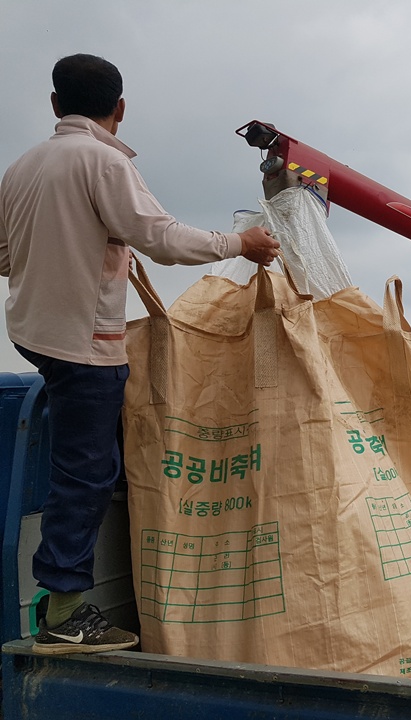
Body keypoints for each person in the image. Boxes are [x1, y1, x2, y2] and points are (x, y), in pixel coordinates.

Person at [0, 53, 280, 654]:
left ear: (54, 104)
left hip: (32, 330)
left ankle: (71, 590)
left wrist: (71, 247)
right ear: (119, 109)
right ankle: (66, 612)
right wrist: (243, 243)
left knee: (91, 461)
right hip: (81, 342)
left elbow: (4, 255)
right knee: (86, 472)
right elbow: (162, 237)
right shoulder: (103, 162)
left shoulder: (22, 167)